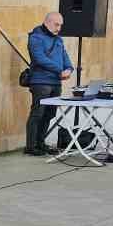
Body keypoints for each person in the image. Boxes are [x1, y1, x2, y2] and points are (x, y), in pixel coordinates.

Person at [23, 12, 73, 156]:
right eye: (56, 24)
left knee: (50, 114)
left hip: (55, 83)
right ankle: (31, 146)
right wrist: (59, 70)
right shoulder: (35, 37)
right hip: (41, 82)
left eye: (60, 25)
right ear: (47, 22)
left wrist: (69, 69)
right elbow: (39, 58)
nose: (59, 28)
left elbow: (65, 57)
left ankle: (41, 143)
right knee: (37, 113)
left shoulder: (58, 40)